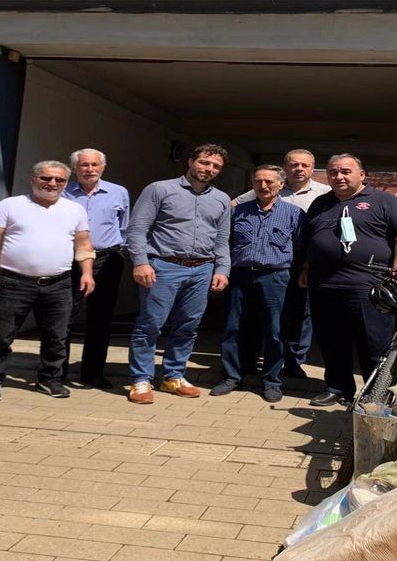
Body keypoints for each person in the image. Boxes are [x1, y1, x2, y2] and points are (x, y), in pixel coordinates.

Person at [299, 154, 397, 407]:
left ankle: (375, 395)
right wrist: (306, 268)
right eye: (333, 172)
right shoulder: (320, 204)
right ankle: (337, 388)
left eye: (345, 171)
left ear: (362, 175)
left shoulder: (385, 201)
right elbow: (311, 240)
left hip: (369, 287)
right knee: (332, 342)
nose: (338, 176)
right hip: (325, 286)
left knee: (374, 345)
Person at [0, 161, 96, 402]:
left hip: (59, 284)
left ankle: (49, 379)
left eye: (59, 180)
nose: (52, 184)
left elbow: (83, 243)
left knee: (56, 336)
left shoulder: (75, 210)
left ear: (65, 183)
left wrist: (87, 273)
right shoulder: (10, 205)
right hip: (13, 283)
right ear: (33, 179)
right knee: (1, 335)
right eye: (46, 178)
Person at [124, 144, 232, 404]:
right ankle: (141, 380)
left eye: (216, 166)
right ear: (191, 161)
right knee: (151, 324)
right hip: (163, 266)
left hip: (202, 269)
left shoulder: (221, 199)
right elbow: (137, 228)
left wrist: (222, 269)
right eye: (204, 162)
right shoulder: (159, 189)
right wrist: (140, 262)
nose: (209, 169)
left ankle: (173, 376)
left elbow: (222, 239)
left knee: (189, 325)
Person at [233, 149, 330, 379]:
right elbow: (233, 205)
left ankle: (293, 361)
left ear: (313, 168)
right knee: (266, 316)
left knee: (300, 315)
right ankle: (253, 360)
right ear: (285, 169)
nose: (299, 169)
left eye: (305, 165)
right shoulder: (268, 186)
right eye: (294, 165)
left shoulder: (325, 193)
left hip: (302, 263)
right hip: (273, 263)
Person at [213, 165, 303, 403]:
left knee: (274, 330)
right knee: (233, 328)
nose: (263, 186)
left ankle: (272, 380)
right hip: (240, 276)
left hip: (275, 278)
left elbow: (302, 249)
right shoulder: (237, 212)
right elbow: (224, 243)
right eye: (258, 181)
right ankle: (232, 377)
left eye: (269, 182)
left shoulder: (294, 214)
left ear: (281, 185)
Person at [63, 148, 131, 390]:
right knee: (63, 316)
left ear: (102, 167)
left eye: (94, 165)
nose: (90, 169)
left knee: (100, 318)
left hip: (106, 260)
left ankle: (92, 372)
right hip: (69, 260)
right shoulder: (63, 192)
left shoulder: (118, 192)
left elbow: (124, 227)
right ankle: (56, 372)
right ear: (74, 168)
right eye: (84, 165)